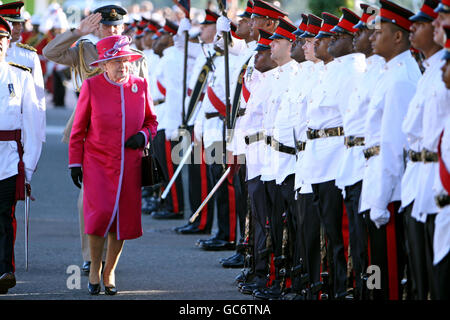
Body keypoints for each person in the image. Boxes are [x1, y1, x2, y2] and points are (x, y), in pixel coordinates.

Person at [43, 4, 148, 275]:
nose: (111, 30)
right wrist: (76, 32)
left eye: (116, 26)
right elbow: (49, 52)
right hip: (90, 131)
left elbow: (142, 100)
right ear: (97, 27)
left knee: (120, 198)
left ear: (123, 28)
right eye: (106, 26)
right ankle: (92, 257)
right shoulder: (84, 49)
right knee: (88, 201)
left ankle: (109, 262)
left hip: (124, 136)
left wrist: (143, 138)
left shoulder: (134, 56)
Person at [68, 35, 158, 295]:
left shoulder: (140, 85)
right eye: (117, 61)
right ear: (103, 65)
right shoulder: (92, 86)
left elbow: (152, 121)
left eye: (126, 60)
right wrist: (75, 162)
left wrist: (143, 136)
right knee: (99, 217)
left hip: (129, 165)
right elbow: (78, 130)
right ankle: (95, 265)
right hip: (97, 163)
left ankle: (110, 270)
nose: (123, 66)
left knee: (122, 219)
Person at [360, 0, 421, 300]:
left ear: (398, 37)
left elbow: (393, 148)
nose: (371, 37)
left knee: (388, 275)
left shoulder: (400, 79)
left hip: (391, 190)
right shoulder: (390, 71)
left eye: (378, 31)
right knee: (377, 271)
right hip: (377, 180)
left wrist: (381, 200)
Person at [400, 0, 444, 300]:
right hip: (417, 180)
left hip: (436, 179)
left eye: (423, 23)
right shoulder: (428, 71)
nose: (413, 28)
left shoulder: (443, 71)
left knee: (436, 275)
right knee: (419, 273)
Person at [0, 16, 42, 294]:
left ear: (7, 43)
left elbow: (33, 125)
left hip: (8, 157)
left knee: (3, 215)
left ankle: (4, 270)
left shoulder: (19, 75)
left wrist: (28, 166)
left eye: (0, 40)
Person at [0, 1, 46, 143]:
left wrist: (39, 134)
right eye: (14, 24)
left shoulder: (28, 55)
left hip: (19, 128)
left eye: (20, 23)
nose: (19, 27)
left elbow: (38, 99)